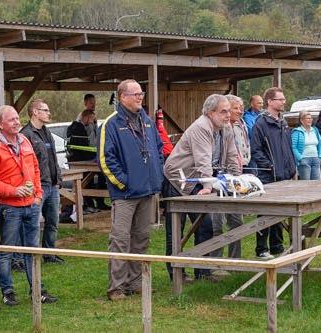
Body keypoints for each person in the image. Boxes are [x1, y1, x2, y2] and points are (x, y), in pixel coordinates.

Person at [0, 105, 60, 306]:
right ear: (1, 124)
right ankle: (8, 292)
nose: (17, 122)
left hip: (31, 205)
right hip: (9, 208)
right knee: (6, 251)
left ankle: (37, 289)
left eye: (17, 118)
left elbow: (36, 169)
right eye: (11, 120)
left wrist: (37, 195)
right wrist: (13, 191)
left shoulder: (25, 141)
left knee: (32, 249)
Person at [162, 94, 239, 280]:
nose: (228, 115)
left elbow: (232, 155)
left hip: (200, 180)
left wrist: (237, 181)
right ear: (210, 112)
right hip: (179, 179)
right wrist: (208, 185)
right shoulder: (201, 127)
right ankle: (176, 272)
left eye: (229, 111)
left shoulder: (226, 128)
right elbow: (203, 159)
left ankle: (202, 272)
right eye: (223, 111)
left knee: (205, 226)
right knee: (176, 230)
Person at [100, 79, 164, 301]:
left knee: (142, 237)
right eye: (136, 94)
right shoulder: (111, 124)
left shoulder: (146, 120)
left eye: (142, 93)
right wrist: (124, 183)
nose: (140, 97)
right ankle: (115, 287)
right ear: (123, 97)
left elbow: (158, 148)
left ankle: (135, 281)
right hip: (125, 194)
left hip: (147, 191)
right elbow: (106, 160)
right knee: (120, 239)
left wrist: (156, 174)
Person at [250, 87, 297, 259]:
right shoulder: (260, 124)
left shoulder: (283, 123)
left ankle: (277, 246)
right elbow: (255, 150)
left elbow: (287, 149)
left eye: (284, 99)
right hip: (269, 176)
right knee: (265, 213)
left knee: (281, 212)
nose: (284, 102)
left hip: (285, 175)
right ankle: (261, 249)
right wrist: (270, 166)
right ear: (270, 101)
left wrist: (292, 168)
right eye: (280, 99)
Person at [20, 99, 65, 264]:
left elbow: (53, 158)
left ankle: (49, 254)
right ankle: (28, 256)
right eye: (45, 110)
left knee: (53, 221)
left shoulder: (47, 132)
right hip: (37, 186)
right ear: (35, 112)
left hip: (52, 184)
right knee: (32, 223)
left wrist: (58, 179)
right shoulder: (26, 134)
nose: (49, 113)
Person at [220, 94, 249, 260]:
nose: (240, 111)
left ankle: (234, 261)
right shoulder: (219, 128)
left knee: (237, 221)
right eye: (236, 108)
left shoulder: (239, 126)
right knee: (216, 224)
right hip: (220, 179)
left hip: (236, 177)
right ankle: (213, 265)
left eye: (241, 108)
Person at [291, 111, 321, 180]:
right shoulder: (297, 131)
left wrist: (320, 156)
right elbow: (293, 147)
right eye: (308, 118)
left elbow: (320, 143)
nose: (310, 120)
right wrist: (300, 159)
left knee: (317, 184)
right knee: (305, 184)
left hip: (316, 159)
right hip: (304, 160)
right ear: (301, 120)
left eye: (311, 118)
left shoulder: (315, 130)